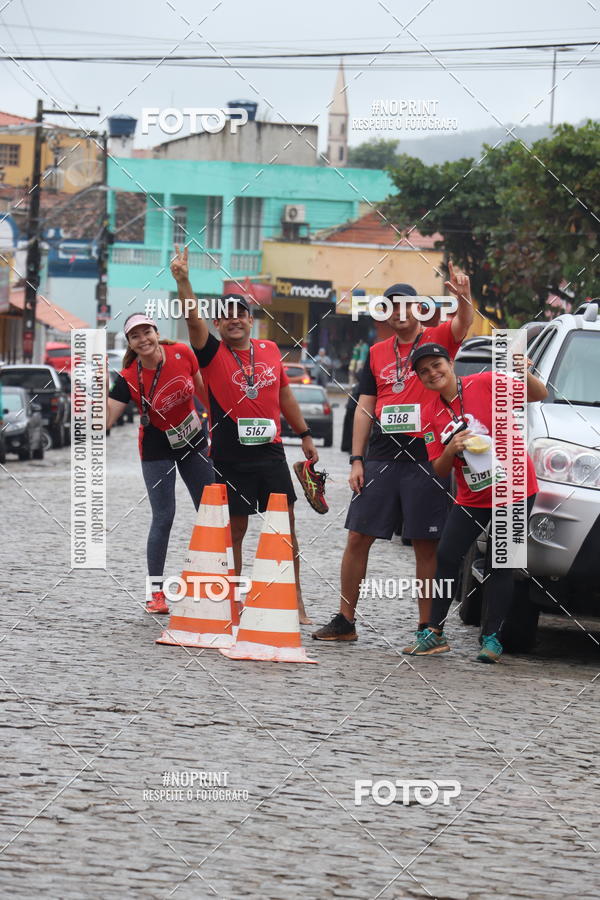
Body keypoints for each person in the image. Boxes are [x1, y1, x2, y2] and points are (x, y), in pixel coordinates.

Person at [313, 263, 474, 648]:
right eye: (392, 307)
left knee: (425, 545)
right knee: (357, 538)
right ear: (385, 314)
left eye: (407, 306)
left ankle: (429, 628)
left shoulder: (436, 339)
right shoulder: (375, 352)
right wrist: (356, 459)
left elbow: (463, 322)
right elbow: (364, 406)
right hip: (383, 456)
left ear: (419, 310)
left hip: (428, 454)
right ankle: (345, 619)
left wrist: (464, 296)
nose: (400, 313)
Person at [170, 246, 318, 624]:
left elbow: (284, 394)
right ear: (218, 325)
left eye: (241, 314)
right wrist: (184, 281)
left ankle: (294, 599)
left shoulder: (269, 351)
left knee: (284, 527)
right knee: (235, 530)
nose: (234, 321)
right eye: (226, 317)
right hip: (230, 456)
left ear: (251, 320)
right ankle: (234, 600)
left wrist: (304, 433)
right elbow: (192, 322)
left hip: (270, 454)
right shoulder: (212, 353)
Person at [406, 342, 548, 662]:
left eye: (437, 365)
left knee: (502, 562)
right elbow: (439, 469)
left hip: (514, 489)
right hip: (472, 496)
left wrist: (524, 372)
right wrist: (450, 449)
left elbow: (539, 394)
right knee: (446, 556)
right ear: (419, 378)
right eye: (424, 371)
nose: (432, 373)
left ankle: (492, 639)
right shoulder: (430, 414)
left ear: (450, 362)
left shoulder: (485, 383)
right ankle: (433, 632)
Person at [107, 312, 215, 614]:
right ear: (130, 342)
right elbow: (106, 420)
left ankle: (219, 584)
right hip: (156, 445)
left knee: (211, 511)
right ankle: (155, 592)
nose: (143, 340)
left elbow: (205, 394)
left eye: (146, 332)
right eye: (135, 336)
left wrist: (219, 428)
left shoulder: (182, 353)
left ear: (157, 332)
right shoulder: (128, 376)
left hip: (193, 438)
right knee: (164, 515)